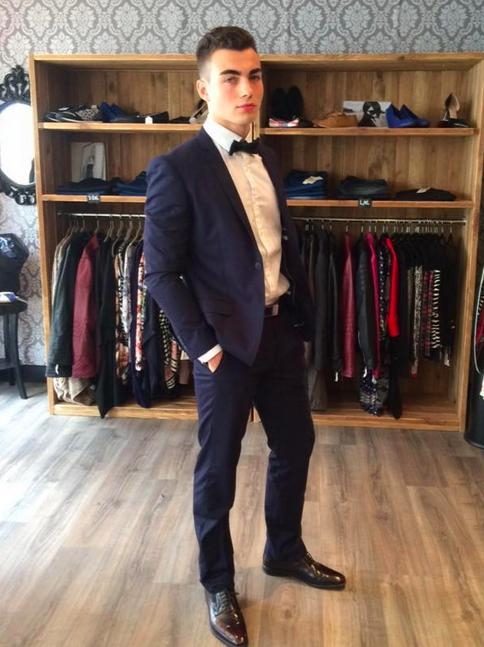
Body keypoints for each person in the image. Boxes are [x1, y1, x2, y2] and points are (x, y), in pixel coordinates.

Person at [144, 25, 346, 647]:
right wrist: (204, 346)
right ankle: (217, 582)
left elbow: (275, 248)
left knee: (296, 445)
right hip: (225, 349)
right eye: (230, 77)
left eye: (254, 75)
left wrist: (302, 319)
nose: (246, 88)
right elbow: (160, 272)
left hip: (280, 334)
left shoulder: (268, 158)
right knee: (218, 470)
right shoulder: (176, 169)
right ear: (204, 88)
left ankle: (283, 549)